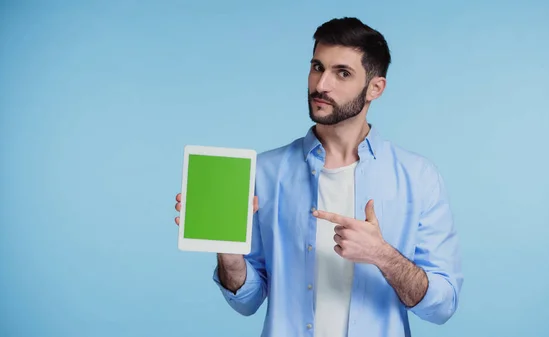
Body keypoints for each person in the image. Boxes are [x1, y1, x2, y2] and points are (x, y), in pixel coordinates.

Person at [174, 17, 463, 337]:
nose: (321, 85)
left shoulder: (419, 177)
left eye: (342, 73)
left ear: (375, 88)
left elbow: (443, 305)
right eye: (317, 67)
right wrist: (228, 252)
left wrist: (382, 255)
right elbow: (247, 301)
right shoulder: (263, 172)